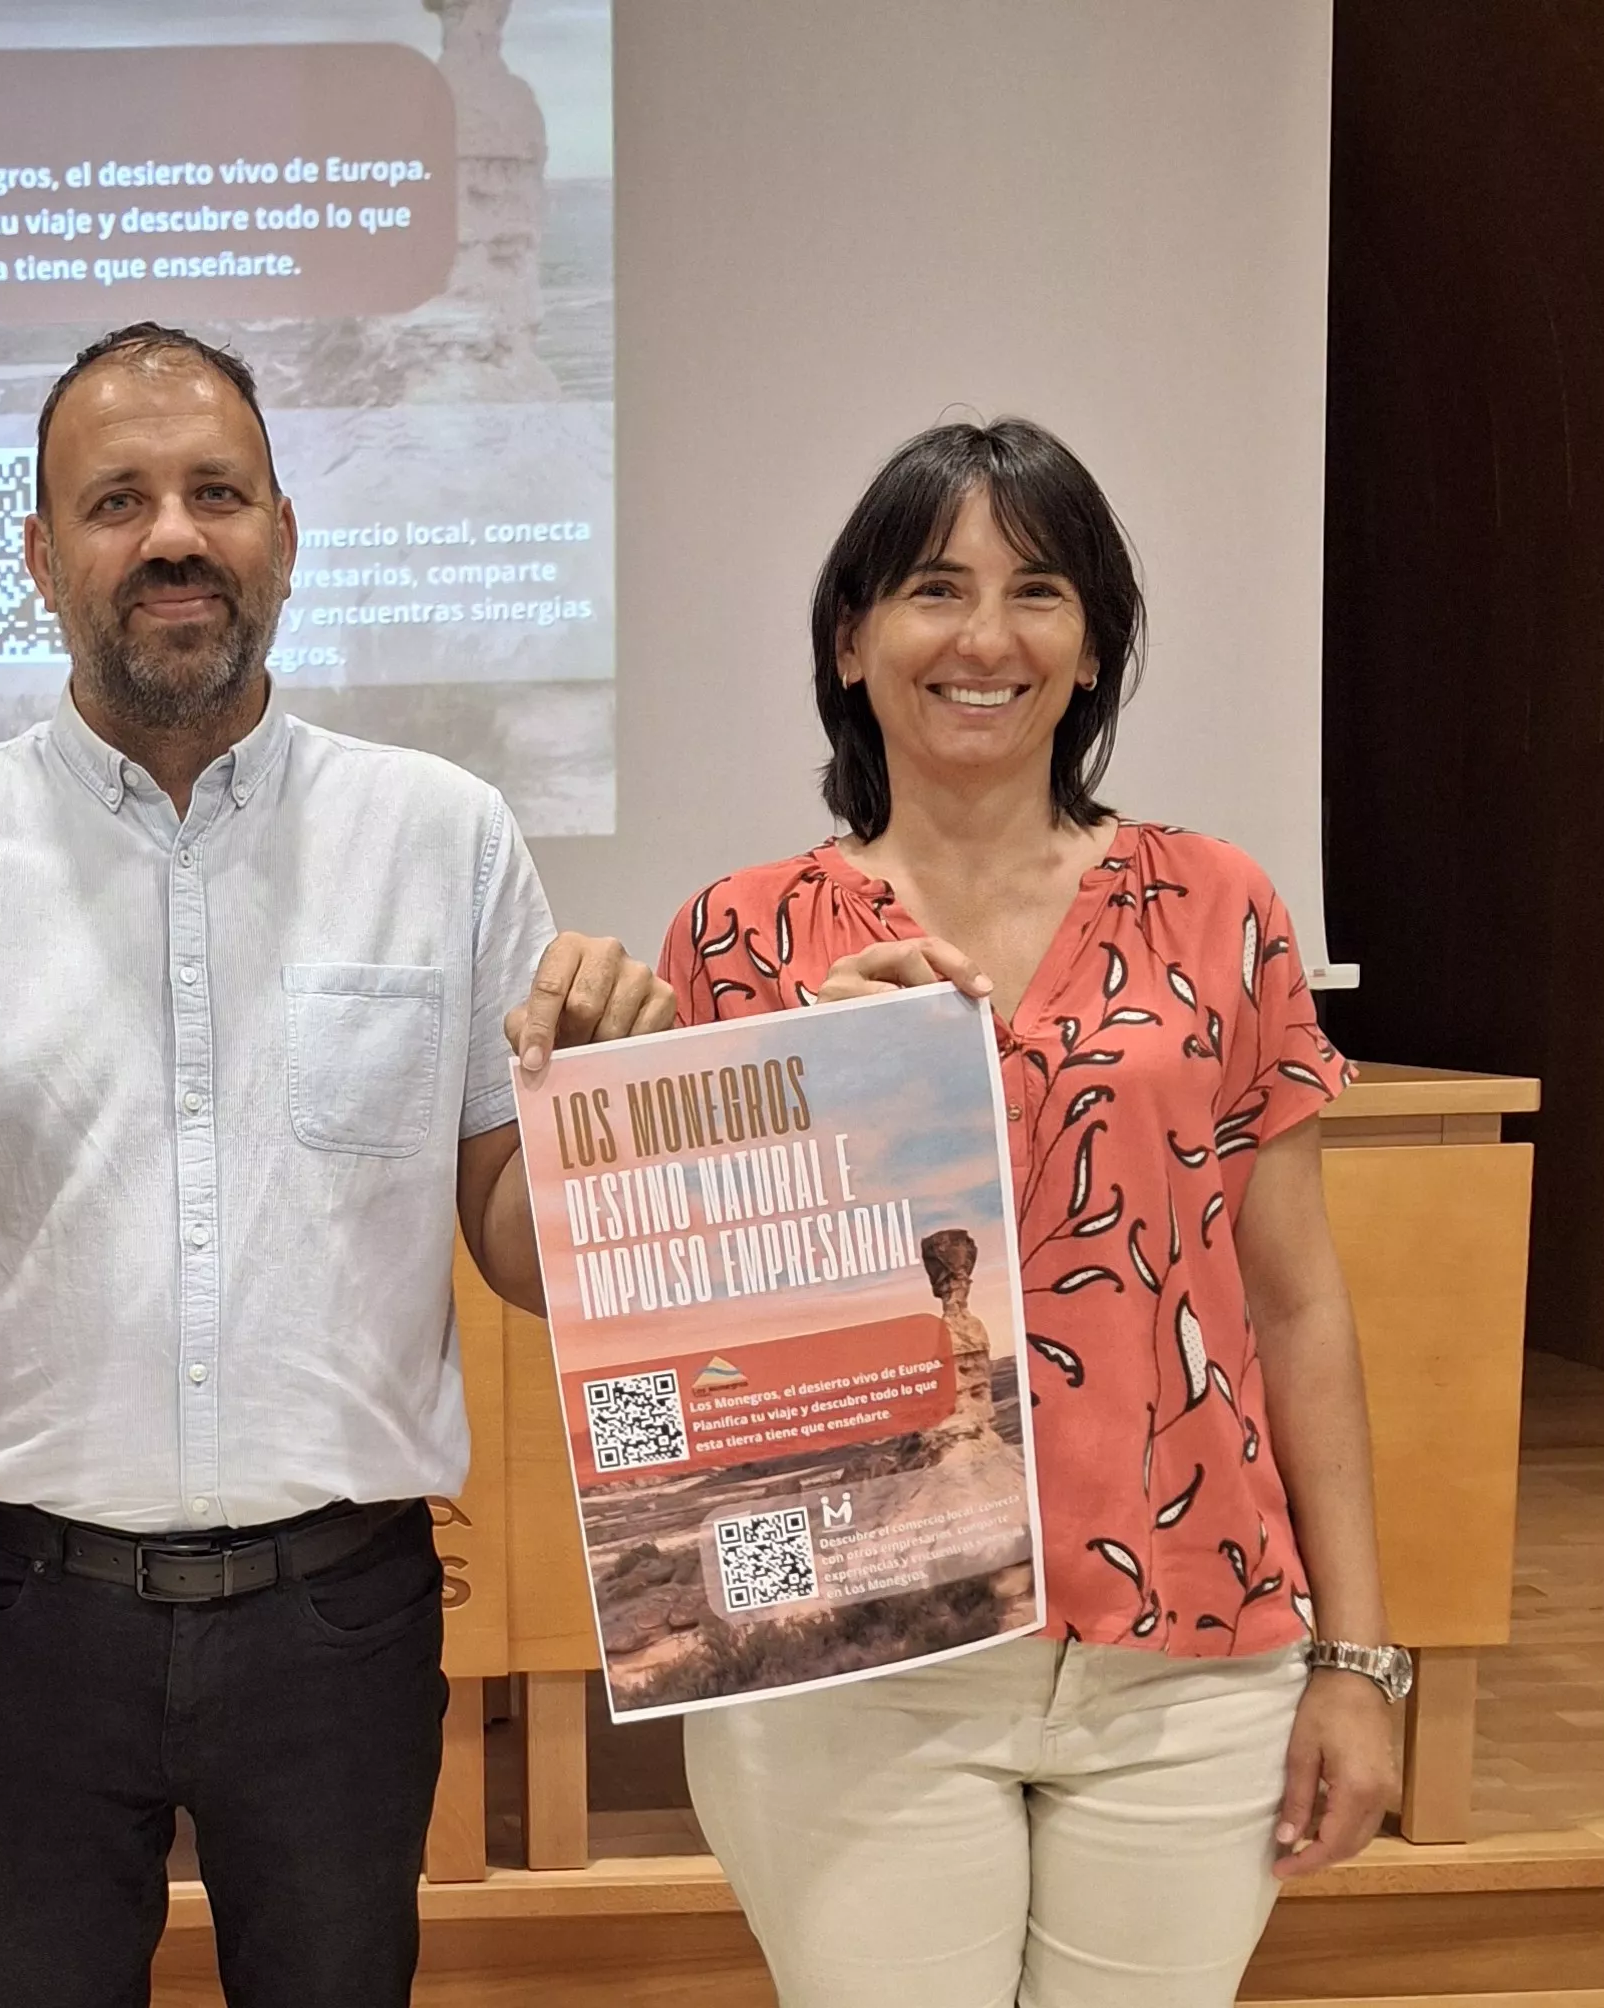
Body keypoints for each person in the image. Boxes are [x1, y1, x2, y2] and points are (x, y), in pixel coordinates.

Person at [0, 321, 671, 2006]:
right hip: (21, 1615)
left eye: (215, 493)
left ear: (286, 535)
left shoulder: (442, 837)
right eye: (116, 501)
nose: (172, 534)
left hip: (343, 1615)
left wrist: (600, 1121)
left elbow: (523, 1250)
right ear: (38, 556)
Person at [654, 417, 1405, 2008]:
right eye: (933, 588)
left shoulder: (1220, 903)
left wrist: (1358, 1655)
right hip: (861, 1656)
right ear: (851, 642)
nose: (985, 638)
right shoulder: (742, 939)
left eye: (1040, 591)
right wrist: (814, 1085)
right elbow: (708, 1347)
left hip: (1191, 1653)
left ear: (1093, 645)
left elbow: (1295, 1304)